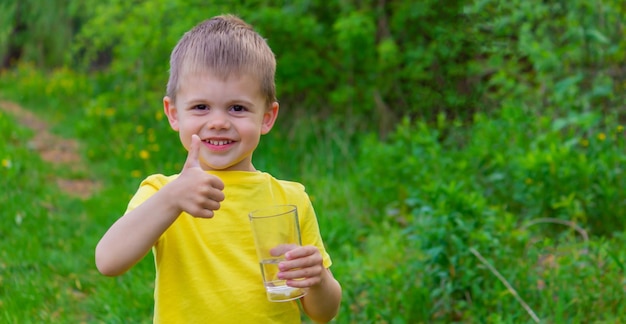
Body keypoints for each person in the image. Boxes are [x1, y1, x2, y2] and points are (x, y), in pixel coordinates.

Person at [95, 14, 342, 323]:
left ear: (267, 117)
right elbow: (108, 261)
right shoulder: (163, 193)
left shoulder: (290, 198)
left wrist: (317, 278)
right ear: (173, 114)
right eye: (200, 107)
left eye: (237, 108)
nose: (219, 122)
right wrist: (172, 199)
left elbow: (324, 313)